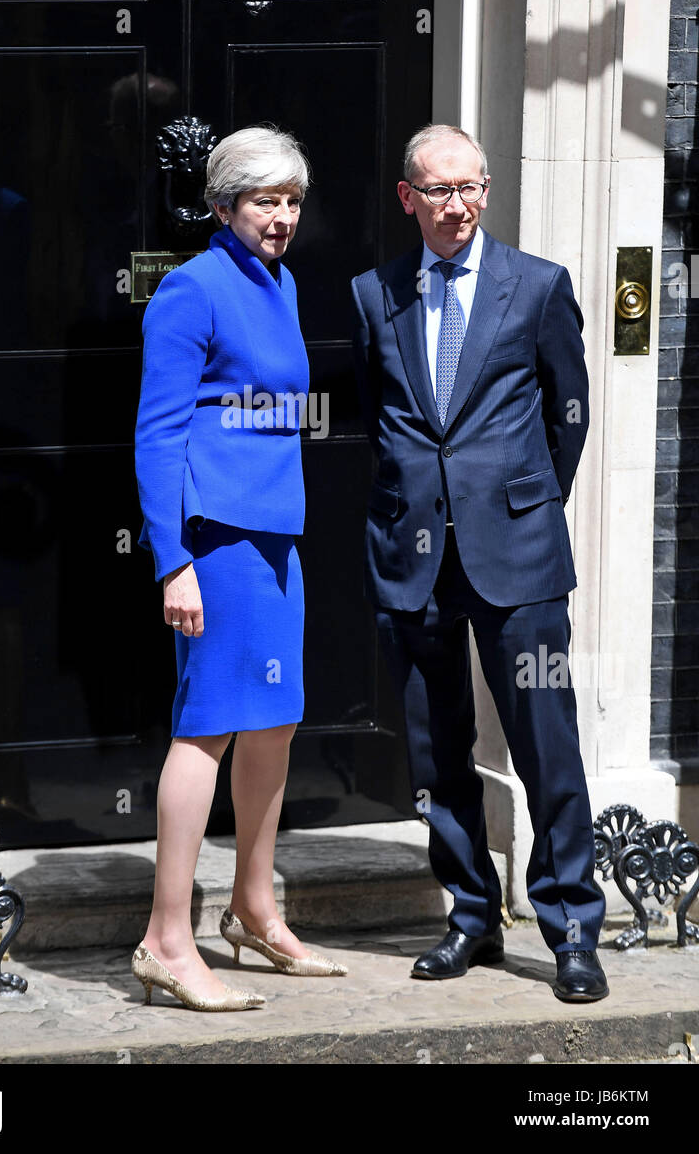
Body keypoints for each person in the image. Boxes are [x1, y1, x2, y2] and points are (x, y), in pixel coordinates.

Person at [350, 124, 608, 1003]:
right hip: (413, 558)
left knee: (546, 742)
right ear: (407, 197)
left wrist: (526, 505)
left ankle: (572, 924)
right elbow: (371, 416)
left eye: (469, 189)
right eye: (437, 191)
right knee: (437, 752)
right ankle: (469, 915)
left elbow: (568, 413)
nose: (454, 206)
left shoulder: (537, 287)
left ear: (487, 193)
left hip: (518, 559)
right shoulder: (373, 293)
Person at [132, 125, 347, 1011]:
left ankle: (254, 908)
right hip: (216, 541)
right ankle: (165, 940)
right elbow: (157, 434)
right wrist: (172, 561)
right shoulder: (190, 290)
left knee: (275, 722)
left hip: (276, 537)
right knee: (209, 726)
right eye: (267, 200)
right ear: (223, 207)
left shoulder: (283, 283)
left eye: (294, 201)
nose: (284, 217)